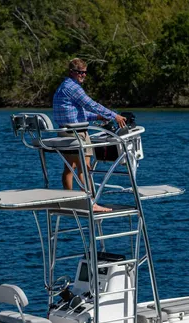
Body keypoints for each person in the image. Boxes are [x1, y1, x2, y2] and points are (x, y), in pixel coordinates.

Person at [53, 58, 127, 213]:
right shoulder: (74, 88)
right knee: (84, 169)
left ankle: (68, 201)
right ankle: (90, 203)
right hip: (77, 134)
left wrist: (97, 117)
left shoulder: (63, 87)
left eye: (85, 73)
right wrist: (115, 116)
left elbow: (75, 112)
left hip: (64, 132)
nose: (83, 75)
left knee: (69, 168)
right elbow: (91, 104)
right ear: (72, 72)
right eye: (80, 72)